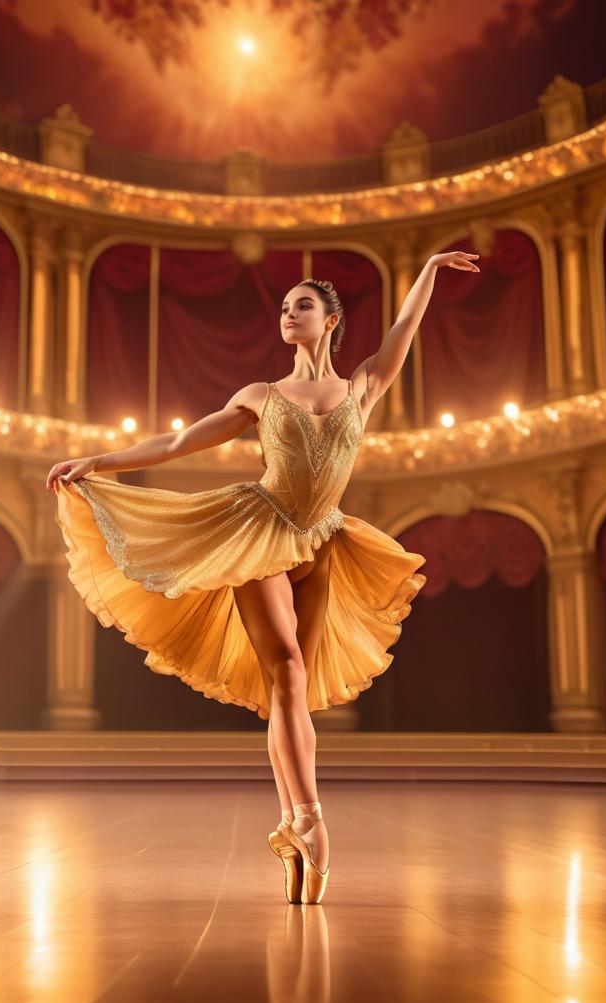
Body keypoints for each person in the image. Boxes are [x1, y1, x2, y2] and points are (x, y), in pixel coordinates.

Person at [46, 250, 482, 903]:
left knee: (293, 694)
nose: (287, 314)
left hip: (328, 539)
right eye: (283, 307)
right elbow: (174, 444)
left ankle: (288, 821)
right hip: (261, 531)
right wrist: (97, 460)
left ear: (331, 320)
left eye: (301, 305)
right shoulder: (260, 395)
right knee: (287, 672)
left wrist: (428, 268)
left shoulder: (363, 384)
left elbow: (404, 330)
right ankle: (309, 817)